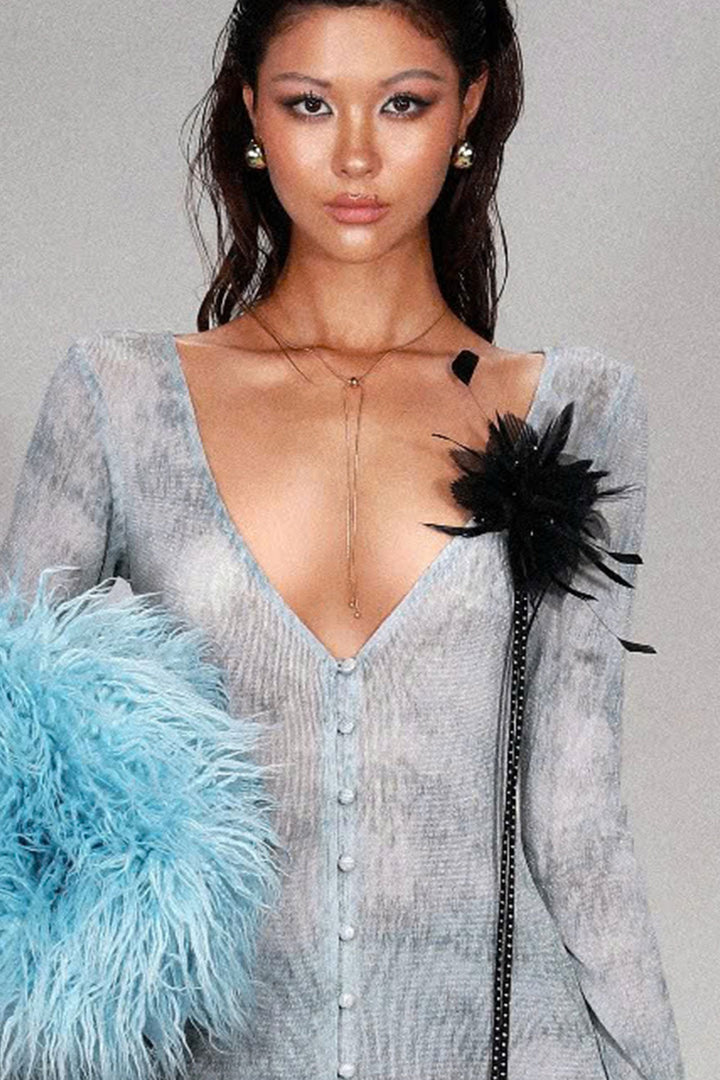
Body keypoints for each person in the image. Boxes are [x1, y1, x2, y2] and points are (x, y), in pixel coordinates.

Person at [0, 2, 685, 1078]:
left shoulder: (574, 408)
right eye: (310, 105)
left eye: (403, 103)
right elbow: (21, 784)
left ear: (468, 107)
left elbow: (576, 815)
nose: (356, 155)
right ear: (251, 112)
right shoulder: (120, 402)